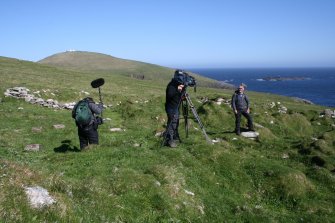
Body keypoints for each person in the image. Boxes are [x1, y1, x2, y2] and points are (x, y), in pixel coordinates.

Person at [164, 70, 185, 148]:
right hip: (171, 108)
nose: (180, 78)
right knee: (172, 123)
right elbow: (171, 96)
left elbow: (180, 97)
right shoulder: (172, 85)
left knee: (175, 122)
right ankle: (169, 140)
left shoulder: (177, 84)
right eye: (179, 77)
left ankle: (174, 137)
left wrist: (182, 90)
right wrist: (178, 90)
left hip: (175, 107)